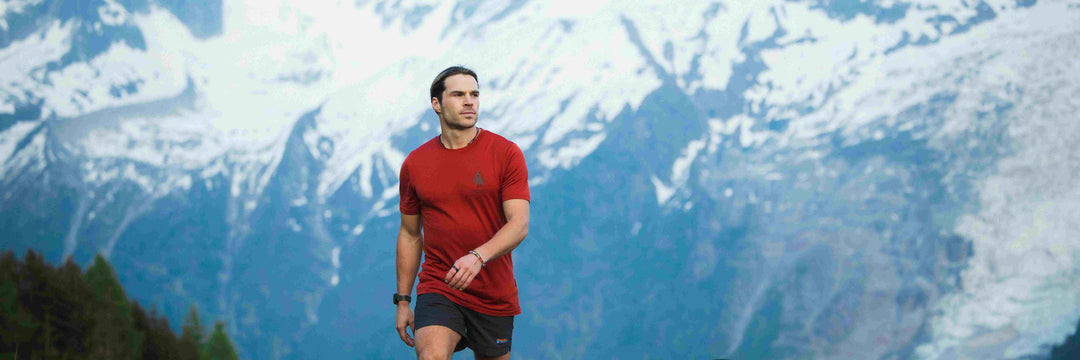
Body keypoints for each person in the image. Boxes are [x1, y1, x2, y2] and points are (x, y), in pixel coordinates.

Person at [394, 66, 531, 360]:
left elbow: (519, 224)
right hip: (439, 285)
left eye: (474, 94)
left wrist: (478, 257)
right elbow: (409, 233)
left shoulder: (506, 153)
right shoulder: (415, 164)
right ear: (437, 104)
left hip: (493, 293)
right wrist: (403, 301)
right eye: (458, 95)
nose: (469, 101)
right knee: (430, 356)